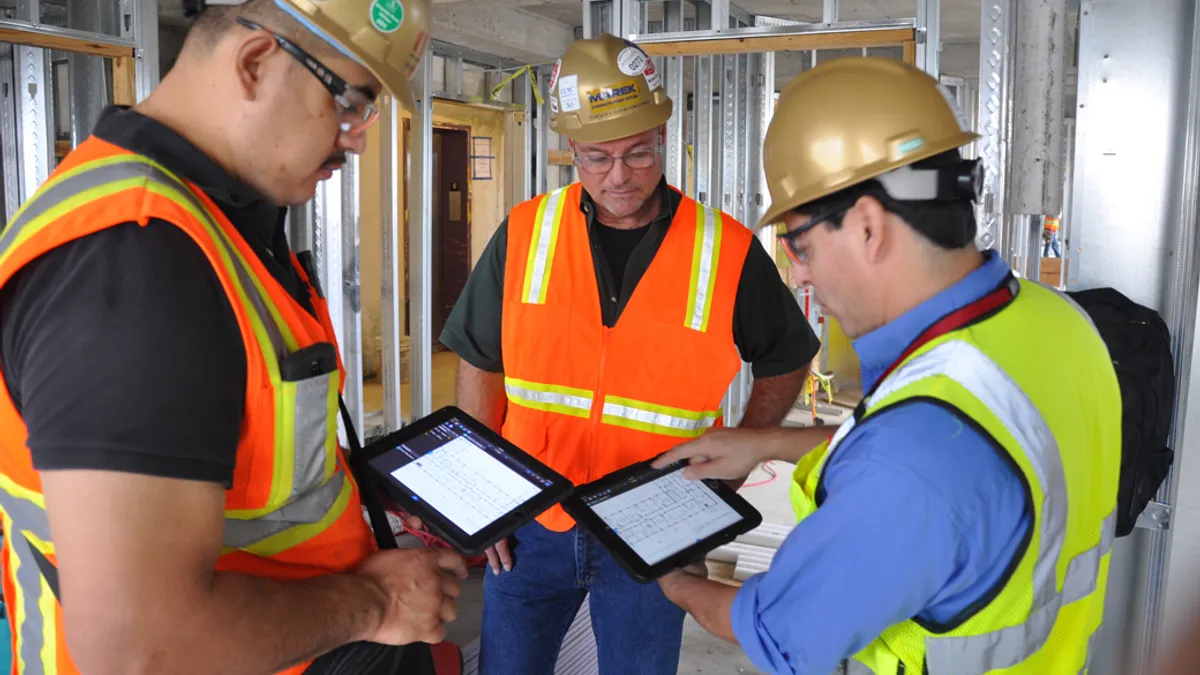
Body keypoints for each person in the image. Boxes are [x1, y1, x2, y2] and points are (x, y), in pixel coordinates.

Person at [0, 1, 469, 674]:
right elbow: (142, 646)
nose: (358, 138)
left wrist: (364, 499)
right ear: (255, 63)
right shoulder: (135, 260)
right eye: (351, 105)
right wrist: (372, 601)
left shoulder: (215, 220)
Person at [651, 57, 1123, 675]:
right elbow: (962, 449)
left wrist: (678, 581)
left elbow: (780, 631)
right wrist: (765, 442)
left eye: (799, 243)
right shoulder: (1054, 321)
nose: (799, 273)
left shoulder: (911, 459)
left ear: (869, 226)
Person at [439, 33, 818, 675]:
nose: (619, 176)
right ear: (572, 154)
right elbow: (480, 360)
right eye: (596, 158)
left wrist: (730, 470)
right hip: (533, 522)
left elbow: (786, 355)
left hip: (656, 522)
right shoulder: (527, 233)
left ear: (663, 137)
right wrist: (486, 501)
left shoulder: (723, 249)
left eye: (638, 154)